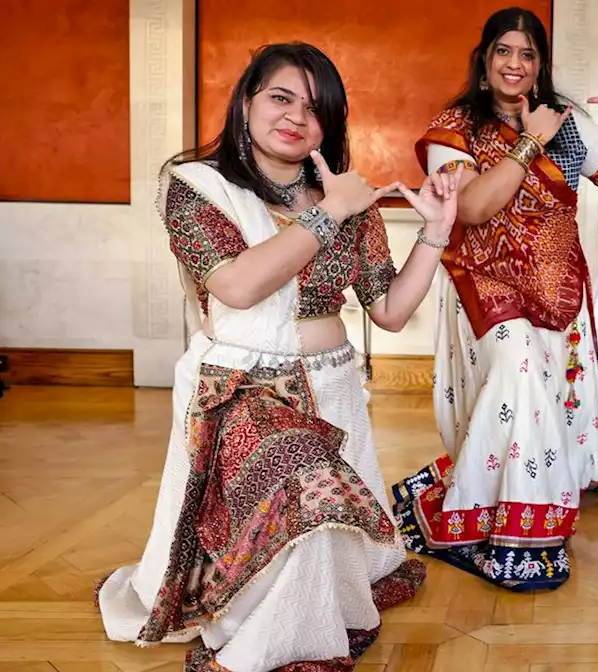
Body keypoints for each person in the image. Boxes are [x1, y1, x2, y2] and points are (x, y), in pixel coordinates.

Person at [96, 42, 459, 671]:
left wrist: (436, 232)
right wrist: (327, 216)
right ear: (246, 103)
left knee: (313, 517)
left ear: (330, 126)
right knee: (303, 492)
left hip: (333, 389)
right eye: (280, 98)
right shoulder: (195, 185)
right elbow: (236, 286)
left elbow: (391, 310)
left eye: (314, 110)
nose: (295, 117)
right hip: (239, 389)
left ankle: (302, 616)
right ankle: (276, 647)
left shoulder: (343, 196)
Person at [390, 7, 598, 592]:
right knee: (522, 377)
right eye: (504, 51)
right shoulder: (455, 129)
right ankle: (521, 537)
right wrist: (530, 141)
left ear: (540, 66)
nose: (516, 63)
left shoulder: (567, 123)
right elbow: (476, 208)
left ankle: (491, 500)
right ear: (484, 63)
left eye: (528, 54)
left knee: (537, 398)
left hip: (557, 286)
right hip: (485, 283)